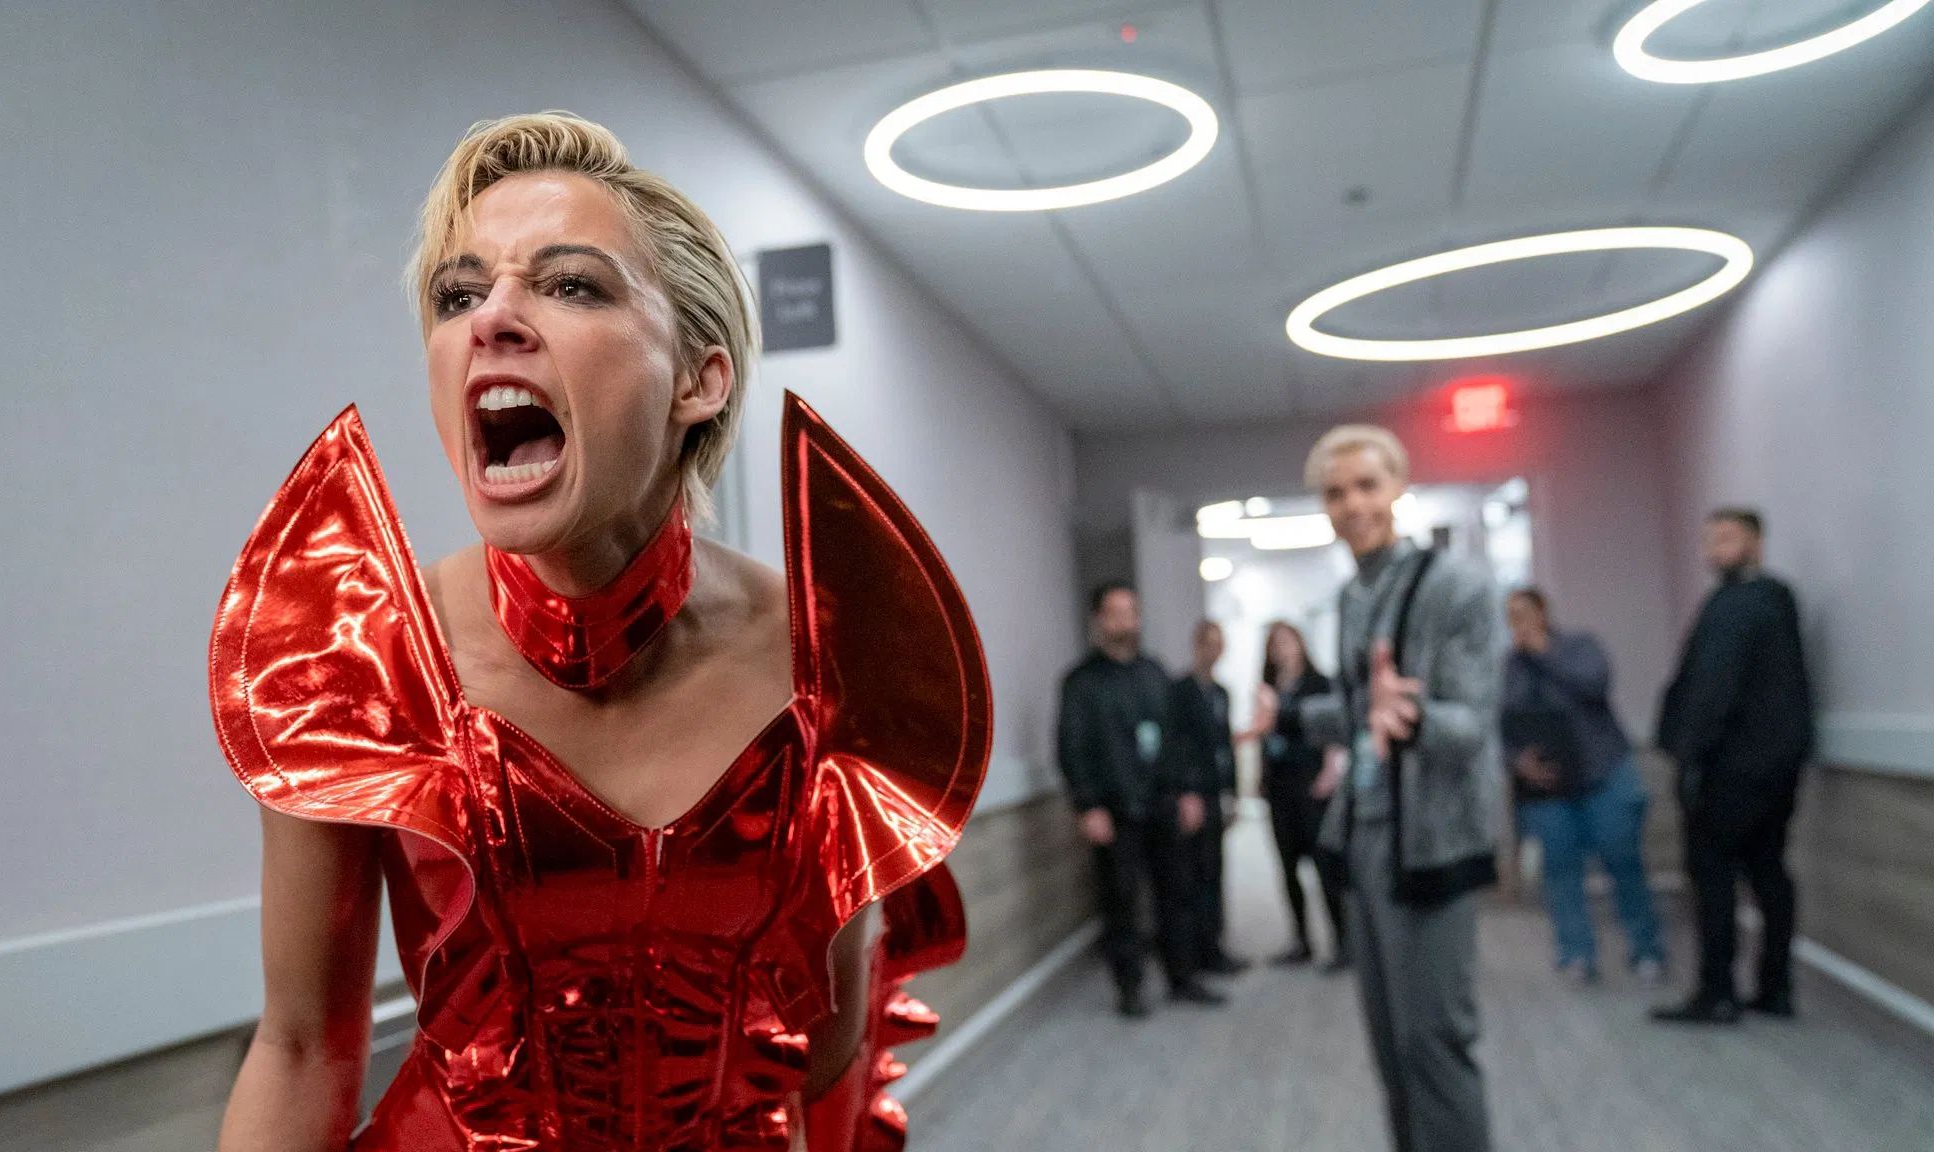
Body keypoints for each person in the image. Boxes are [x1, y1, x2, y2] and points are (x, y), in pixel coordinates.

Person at [211, 112, 991, 1152]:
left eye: (572, 285)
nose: (493, 318)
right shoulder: (355, 653)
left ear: (699, 379)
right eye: (458, 295)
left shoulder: (829, 653)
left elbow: (831, 1044)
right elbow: (303, 1048)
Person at [1255, 424, 1500, 1152]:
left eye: (1367, 485)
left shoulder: (1455, 587)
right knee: (1391, 1042)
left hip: (1432, 843)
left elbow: (1472, 724)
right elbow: (1362, 710)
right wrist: (1288, 717)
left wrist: (1414, 716)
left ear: (1399, 487)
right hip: (1364, 837)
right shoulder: (1354, 596)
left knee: (1436, 1041)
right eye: (1335, 493)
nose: (1353, 505)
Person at [1652, 508, 1815, 1026]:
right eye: (1710, 540)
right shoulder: (1778, 600)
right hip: (1774, 767)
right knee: (1769, 872)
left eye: (1726, 538)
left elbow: (1712, 688)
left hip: (1730, 768)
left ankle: (1717, 992)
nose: (1714, 550)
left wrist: (1689, 754)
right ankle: (1775, 987)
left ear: (1754, 542)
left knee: (1714, 877)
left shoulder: (1735, 605)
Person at [1058, 582, 1225, 1017]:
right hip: (1115, 811)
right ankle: (1129, 987)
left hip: (1162, 804)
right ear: (1099, 620)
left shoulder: (1155, 674)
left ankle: (1181, 977)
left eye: (1131, 611)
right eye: (1115, 612)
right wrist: (1087, 805)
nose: (1125, 621)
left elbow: (1176, 740)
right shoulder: (1082, 683)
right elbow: (1072, 747)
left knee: (1176, 892)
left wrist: (1187, 791)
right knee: (1122, 901)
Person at [1501, 588, 1667, 986]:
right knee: (1560, 871)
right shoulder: (1512, 666)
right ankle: (1576, 953)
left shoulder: (1579, 646)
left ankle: (1646, 949)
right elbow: (1503, 722)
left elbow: (1594, 685)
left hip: (1602, 773)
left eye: (1524, 613)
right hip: (1548, 786)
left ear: (1543, 612)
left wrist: (1543, 653)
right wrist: (1517, 761)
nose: (1519, 623)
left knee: (1623, 861)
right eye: (1511, 616)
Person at [1251, 621, 1349, 971]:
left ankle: (1343, 940)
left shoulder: (1318, 684)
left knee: (1325, 865)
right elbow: (1263, 734)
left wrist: (1330, 771)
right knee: (1288, 866)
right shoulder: (1268, 688)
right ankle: (1301, 940)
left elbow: (1336, 728)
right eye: (1275, 643)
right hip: (1280, 788)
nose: (1282, 649)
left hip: (1312, 784)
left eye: (1287, 641)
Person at [1168, 621, 1252, 976]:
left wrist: (1232, 792)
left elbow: (1224, 746)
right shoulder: (1180, 691)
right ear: (1196, 645)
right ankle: (1193, 955)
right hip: (1193, 797)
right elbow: (1177, 746)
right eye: (1208, 643)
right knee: (1191, 875)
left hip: (1216, 793)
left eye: (1219, 644)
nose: (1213, 650)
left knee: (1214, 871)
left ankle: (1214, 947)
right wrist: (1185, 791)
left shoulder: (1221, 693)